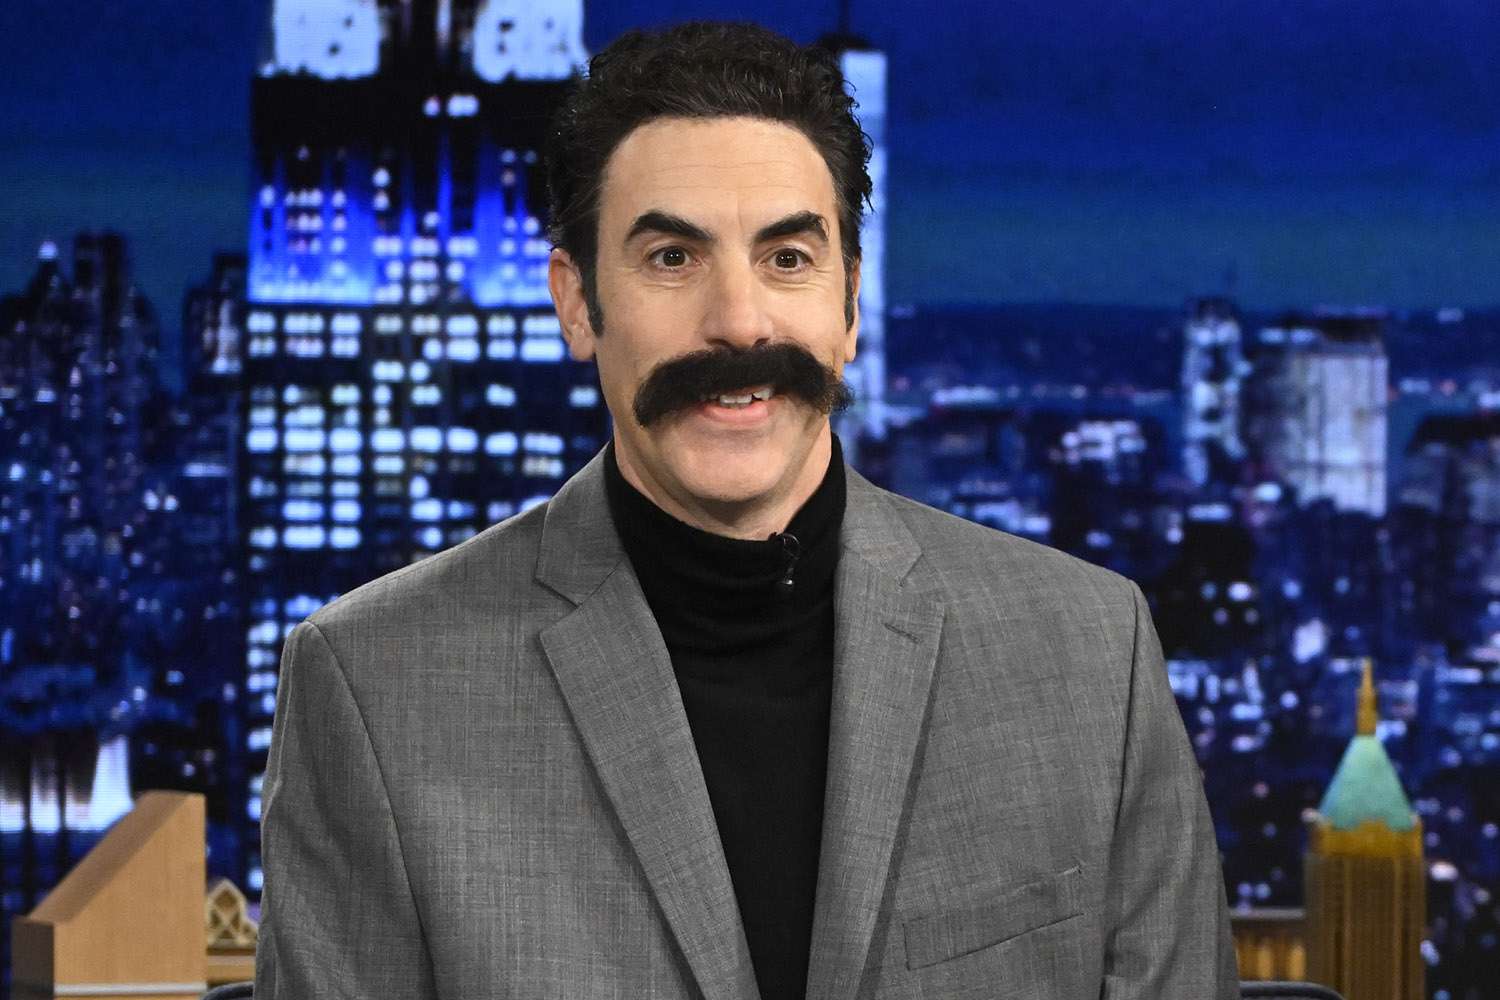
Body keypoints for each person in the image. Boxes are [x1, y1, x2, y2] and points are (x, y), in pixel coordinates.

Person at [256, 21, 1238, 1000]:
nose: (737, 321)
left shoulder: (1090, 654)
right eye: (672, 258)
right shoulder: (373, 687)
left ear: (849, 303)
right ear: (577, 302)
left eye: (788, 258)